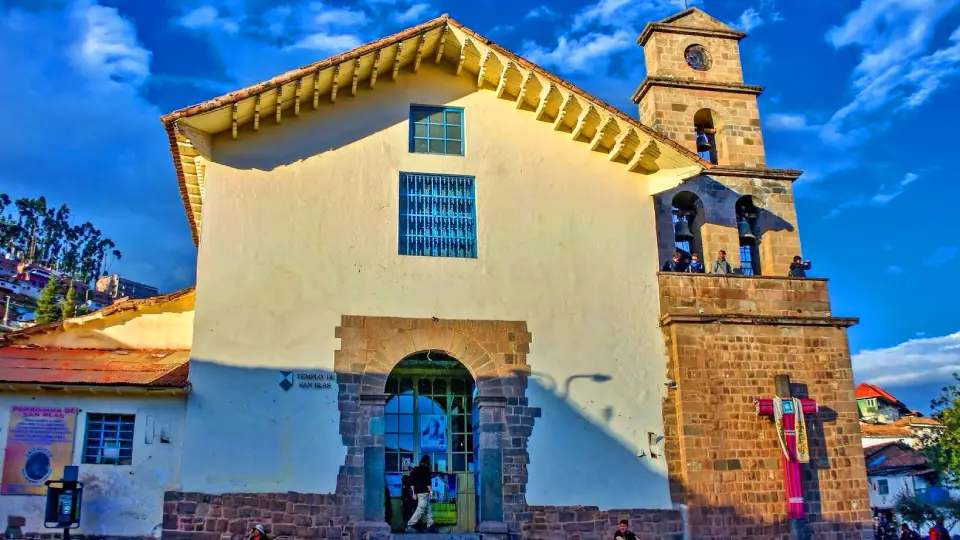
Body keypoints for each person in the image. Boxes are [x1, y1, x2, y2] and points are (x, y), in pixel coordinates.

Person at [405, 455, 434, 533]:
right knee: (421, 508)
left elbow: (411, 483)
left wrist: (414, 493)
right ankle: (410, 525)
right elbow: (428, 483)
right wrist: (431, 492)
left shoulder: (415, 469)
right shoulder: (426, 469)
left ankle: (430, 525)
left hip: (418, 492)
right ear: (427, 462)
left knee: (428, 508)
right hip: (424, 492)